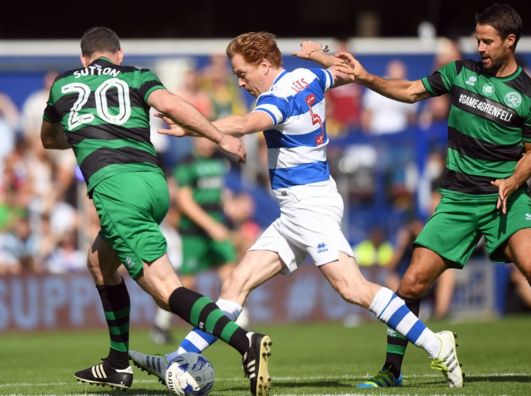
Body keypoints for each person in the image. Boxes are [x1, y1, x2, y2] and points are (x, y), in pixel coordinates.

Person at [129, 31, 463, 389]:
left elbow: (243, 124)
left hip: (309, 207)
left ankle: (435, 343)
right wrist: (319, 55)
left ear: (265, 64)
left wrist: (196, 128)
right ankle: (177, 359)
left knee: (352, 288)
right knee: (236, 282)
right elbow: (343, 72)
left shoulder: (278, 98)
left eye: (242, 73)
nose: (240, 82)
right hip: (299, 209)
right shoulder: (308, 76)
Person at [330, 3, 531, 386]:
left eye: (487, 41)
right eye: (477, 39)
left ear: (510, 41)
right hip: (457, 199)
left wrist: (512, 182)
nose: (479, 47)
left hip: (505, 199)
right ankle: (392, 371)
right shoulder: (459, 73)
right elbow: (410, 91)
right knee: (412, 282)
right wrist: (365, 77)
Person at [41, 27, 272, 396]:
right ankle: (117, 364)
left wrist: (80, 128)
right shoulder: (136, 74)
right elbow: (169, 104)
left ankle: (247, 342)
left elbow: (48, 140)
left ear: (84, 58)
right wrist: (219, 136)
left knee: (166, 290)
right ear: (118, 54)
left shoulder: (63, 86)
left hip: (116, 188)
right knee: (100, 262)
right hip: (153, 183)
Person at [150, 137, 243, 345]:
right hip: (194, 230)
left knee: (229, 270)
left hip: (218, 224)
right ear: (193, 139)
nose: (206, 142)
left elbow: (221, 193)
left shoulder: (220, 161)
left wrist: (230, 208)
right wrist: (211, 226)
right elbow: (185, 202)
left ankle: (240, 323)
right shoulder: (187, 163)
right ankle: (161, 324)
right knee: (187, 282)